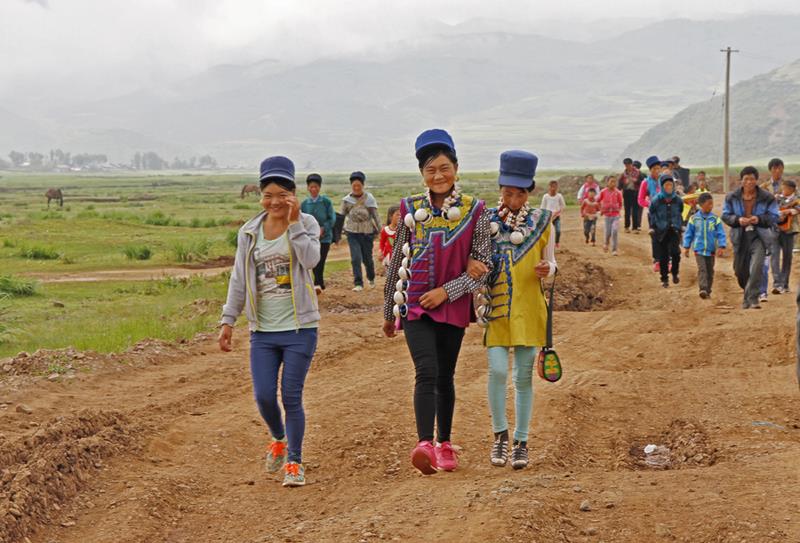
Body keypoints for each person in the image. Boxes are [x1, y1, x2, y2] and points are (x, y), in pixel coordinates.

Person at [382, 129, 492, 475]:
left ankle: (445, 443)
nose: (438, 176)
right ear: (422, 174)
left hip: (453, 305)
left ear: (456, 168)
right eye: (431, 170)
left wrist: (448, 291)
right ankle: (424, 444)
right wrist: (389, 311)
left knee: (445, 376)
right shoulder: (409, 209)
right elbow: (398, 261)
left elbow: (483, 267)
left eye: (444, 168)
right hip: (414, 304)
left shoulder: (476, 211)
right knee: (425, 371)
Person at [218, 156, 321, 488]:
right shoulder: (249, 232)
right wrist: (228, 320)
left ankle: (294, 461)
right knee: (263, 395)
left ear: (293, 193)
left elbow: (311, 260)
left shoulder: (307, 224)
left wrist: (293, 224)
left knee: (291, 396)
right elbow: (238, 279)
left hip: (300, 329)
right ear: (261, 196)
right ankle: (278, 437)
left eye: (282, 194)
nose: (275, 201)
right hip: (262, 331)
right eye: (268, 194)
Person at [467, 150, 556, 470]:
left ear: (528, 192)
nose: (514, 199)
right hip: (498, 307)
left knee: (522, 376)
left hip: (531, 308)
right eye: (508, 192)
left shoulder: (543, 222)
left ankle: (521, 441)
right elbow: (474, 259)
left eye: (520, 193)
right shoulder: (485, 222)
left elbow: (553, 262)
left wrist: (549, 269)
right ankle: (499, 435)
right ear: (500, 190)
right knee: (498, 370)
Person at [721, 166, 780, 309]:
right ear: (741, 181)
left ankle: (753, 299)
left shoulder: (767, 197)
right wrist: (738, 220)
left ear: (756, 180)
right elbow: (725, 215)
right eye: (746, 179)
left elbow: (774, 216)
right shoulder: (731, 197)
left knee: (757, 267)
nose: (749, 182)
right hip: (740, 236)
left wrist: (758, 219)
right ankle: (747, 294)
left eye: (752, 179)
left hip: (759, 236)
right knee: (740, 271)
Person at [341, 171, 381, 292]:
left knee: (367, 259)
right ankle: (358, 283)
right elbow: (342, 216)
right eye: (354, 186)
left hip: (367, 233)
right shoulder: (346, 200)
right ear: (351, 186)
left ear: (363, 185)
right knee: (355, 258)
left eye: (359, 185)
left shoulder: (369, 198)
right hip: (352, 232)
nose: (357, 188)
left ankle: (371, 277)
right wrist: (338, 232)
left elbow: (375, 216)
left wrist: (380, 230)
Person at [682, 193, 726, 299]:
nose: (711, 206)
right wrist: (686, 247)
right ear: (701, 205)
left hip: (711, 250)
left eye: (712, 204)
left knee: (710, 271)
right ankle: (702, 288)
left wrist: (721, 246)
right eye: (709, 204)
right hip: (699, 249)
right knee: (702, 269)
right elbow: (689, 233)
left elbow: (721, 233)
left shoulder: (715, 219)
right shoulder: (694, 219)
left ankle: (708, 290)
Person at [301, 173, 336, 294]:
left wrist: (323, 229)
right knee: (314, 260)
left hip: (325, 237)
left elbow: (332, 218)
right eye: (311, 187)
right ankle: (318, 284)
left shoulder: (326, 202)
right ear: (308, 188)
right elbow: (302, 220)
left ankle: (318, 283)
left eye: (316, 186)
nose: (313, 189)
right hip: (310, 238)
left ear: (319, 187)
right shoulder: (304, 204)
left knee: (321, 260)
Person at [649, 174, 683, 288]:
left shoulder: (677, 200)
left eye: (671, 184)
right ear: (662, 186)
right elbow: (652, 213)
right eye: (666, 185)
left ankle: (674, 273)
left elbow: (680, 212)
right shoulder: (656, 200)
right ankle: (664, 279)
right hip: (661, 230)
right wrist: (652, 227)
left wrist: (680, 225)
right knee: (663, 256)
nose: (669, 187)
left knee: (676, 253)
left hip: (674, 229)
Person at [758, 158, 785, 302]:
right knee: (773, 254)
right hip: (770, 225)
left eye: (780, 168)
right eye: (775, 168)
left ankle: (782, 283)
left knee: (786, 256)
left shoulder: (788, 186)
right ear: (770, 170)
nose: (777, 171)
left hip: (786, 224)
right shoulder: (763, 187)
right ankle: (777, 284)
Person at [771, 179, 800, 294]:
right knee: (775, 256)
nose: (784, 190)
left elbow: (797, 210)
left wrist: (787, 211)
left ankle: (785, 283)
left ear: (791, 189)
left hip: (789, 231)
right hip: (776, 230)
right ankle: (777, 283)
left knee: (787, 258)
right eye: (783, 188)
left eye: (786, 188)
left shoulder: (796, 200)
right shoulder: (777, 198)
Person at [638, 155, 662, 271]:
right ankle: (657, 260)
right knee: (655, 237)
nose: (657, 171)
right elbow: (640, 200)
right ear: (650, 170)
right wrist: (650, 204)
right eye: (654, 169)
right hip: (653, 214)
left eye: (658, 168)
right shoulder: (645, 183)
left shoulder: (665, 180)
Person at [598, 175, 623, 255]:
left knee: (615, 231)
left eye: (614, 181)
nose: (613, 183)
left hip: (615, 215)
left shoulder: (618, 192)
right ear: (607, 182)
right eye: (611, 181)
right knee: (608, 232)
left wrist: (618, 210)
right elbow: (598, 200)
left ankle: (614, 250)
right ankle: (606, 243)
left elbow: (620, 203)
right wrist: (601, 209)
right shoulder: (603, 192)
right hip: (607, 215)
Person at [540, 180, 566, 249]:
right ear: (549, 187)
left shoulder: (559, 196)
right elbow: (542, 207)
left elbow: (563, 206)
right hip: (548, 217)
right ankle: (546, 244)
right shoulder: (545, 196)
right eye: (552, 187)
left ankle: (557, 243)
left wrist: (557, 213)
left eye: (555, 187)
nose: (553, 188)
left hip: (556, 216)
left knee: (558, 230)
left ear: (557, 187)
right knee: (547, 232)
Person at [619, 158, 642, 233]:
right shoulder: (624, 174)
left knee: (635, 211)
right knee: (627, 211)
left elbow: (642, 183)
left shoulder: (638, 173)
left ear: (632, 164)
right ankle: (627, 227)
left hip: (635, 193)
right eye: (626, 165)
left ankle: (635, 228)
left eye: (628, 165)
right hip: (627, 193)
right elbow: (620, 185)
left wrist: (636, 181)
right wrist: (624, 183)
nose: (627, 166)